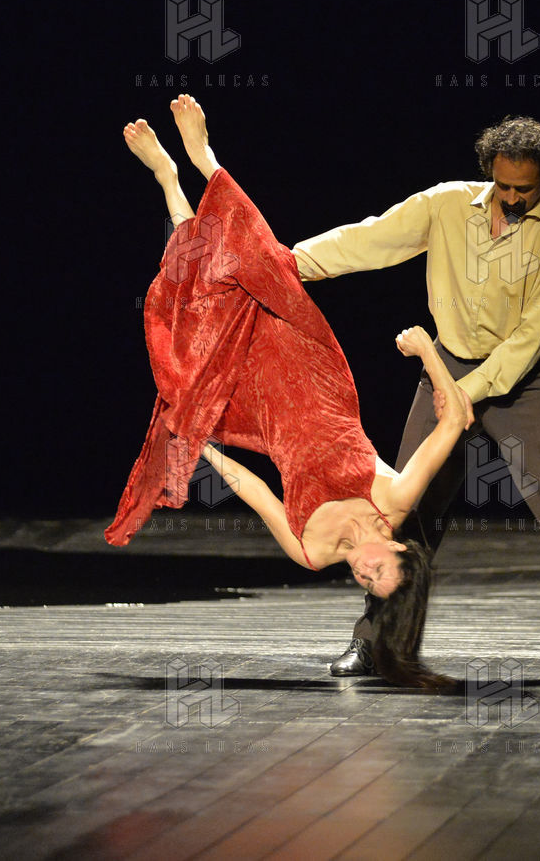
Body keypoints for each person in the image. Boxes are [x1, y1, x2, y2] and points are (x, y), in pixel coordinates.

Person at [105, 95, 470, 689]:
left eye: (368, 586)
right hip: (313, 371)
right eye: (380, 576)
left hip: (263, 408)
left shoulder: (312, 552)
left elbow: (256, 492)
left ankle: (168, 179)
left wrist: (201, 446)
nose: (365, 578)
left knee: (197, 315)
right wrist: (428, 351)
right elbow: (455, 421)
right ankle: (205, 160)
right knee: (256, 266)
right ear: (402, 553)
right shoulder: (396, 501)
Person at [293, 116, 540, 680]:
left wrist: (462, 391)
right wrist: (290, 265)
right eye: (503, 185)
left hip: (518, 381)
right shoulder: (446, 205)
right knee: (403, 511)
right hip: (448, 366)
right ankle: (372, 641)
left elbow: (531, 337)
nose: (511, 198)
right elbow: (372, 238)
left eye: (524, 190)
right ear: (490, 172)